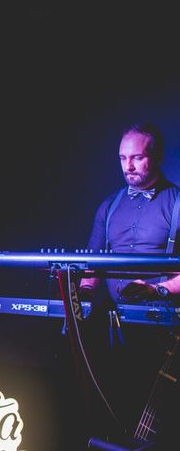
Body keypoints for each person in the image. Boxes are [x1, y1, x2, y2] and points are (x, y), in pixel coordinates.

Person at [77, 121, 180, 448]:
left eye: (137, 158)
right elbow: (91, 272)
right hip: (112, 331)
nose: (129, 166)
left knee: (160, 428)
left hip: (163, 337)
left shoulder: (177, 203)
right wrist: (75, 288)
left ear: (158, 157)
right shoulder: (108, 207)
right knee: (112, 420)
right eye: (123, 158)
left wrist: (158, 290)